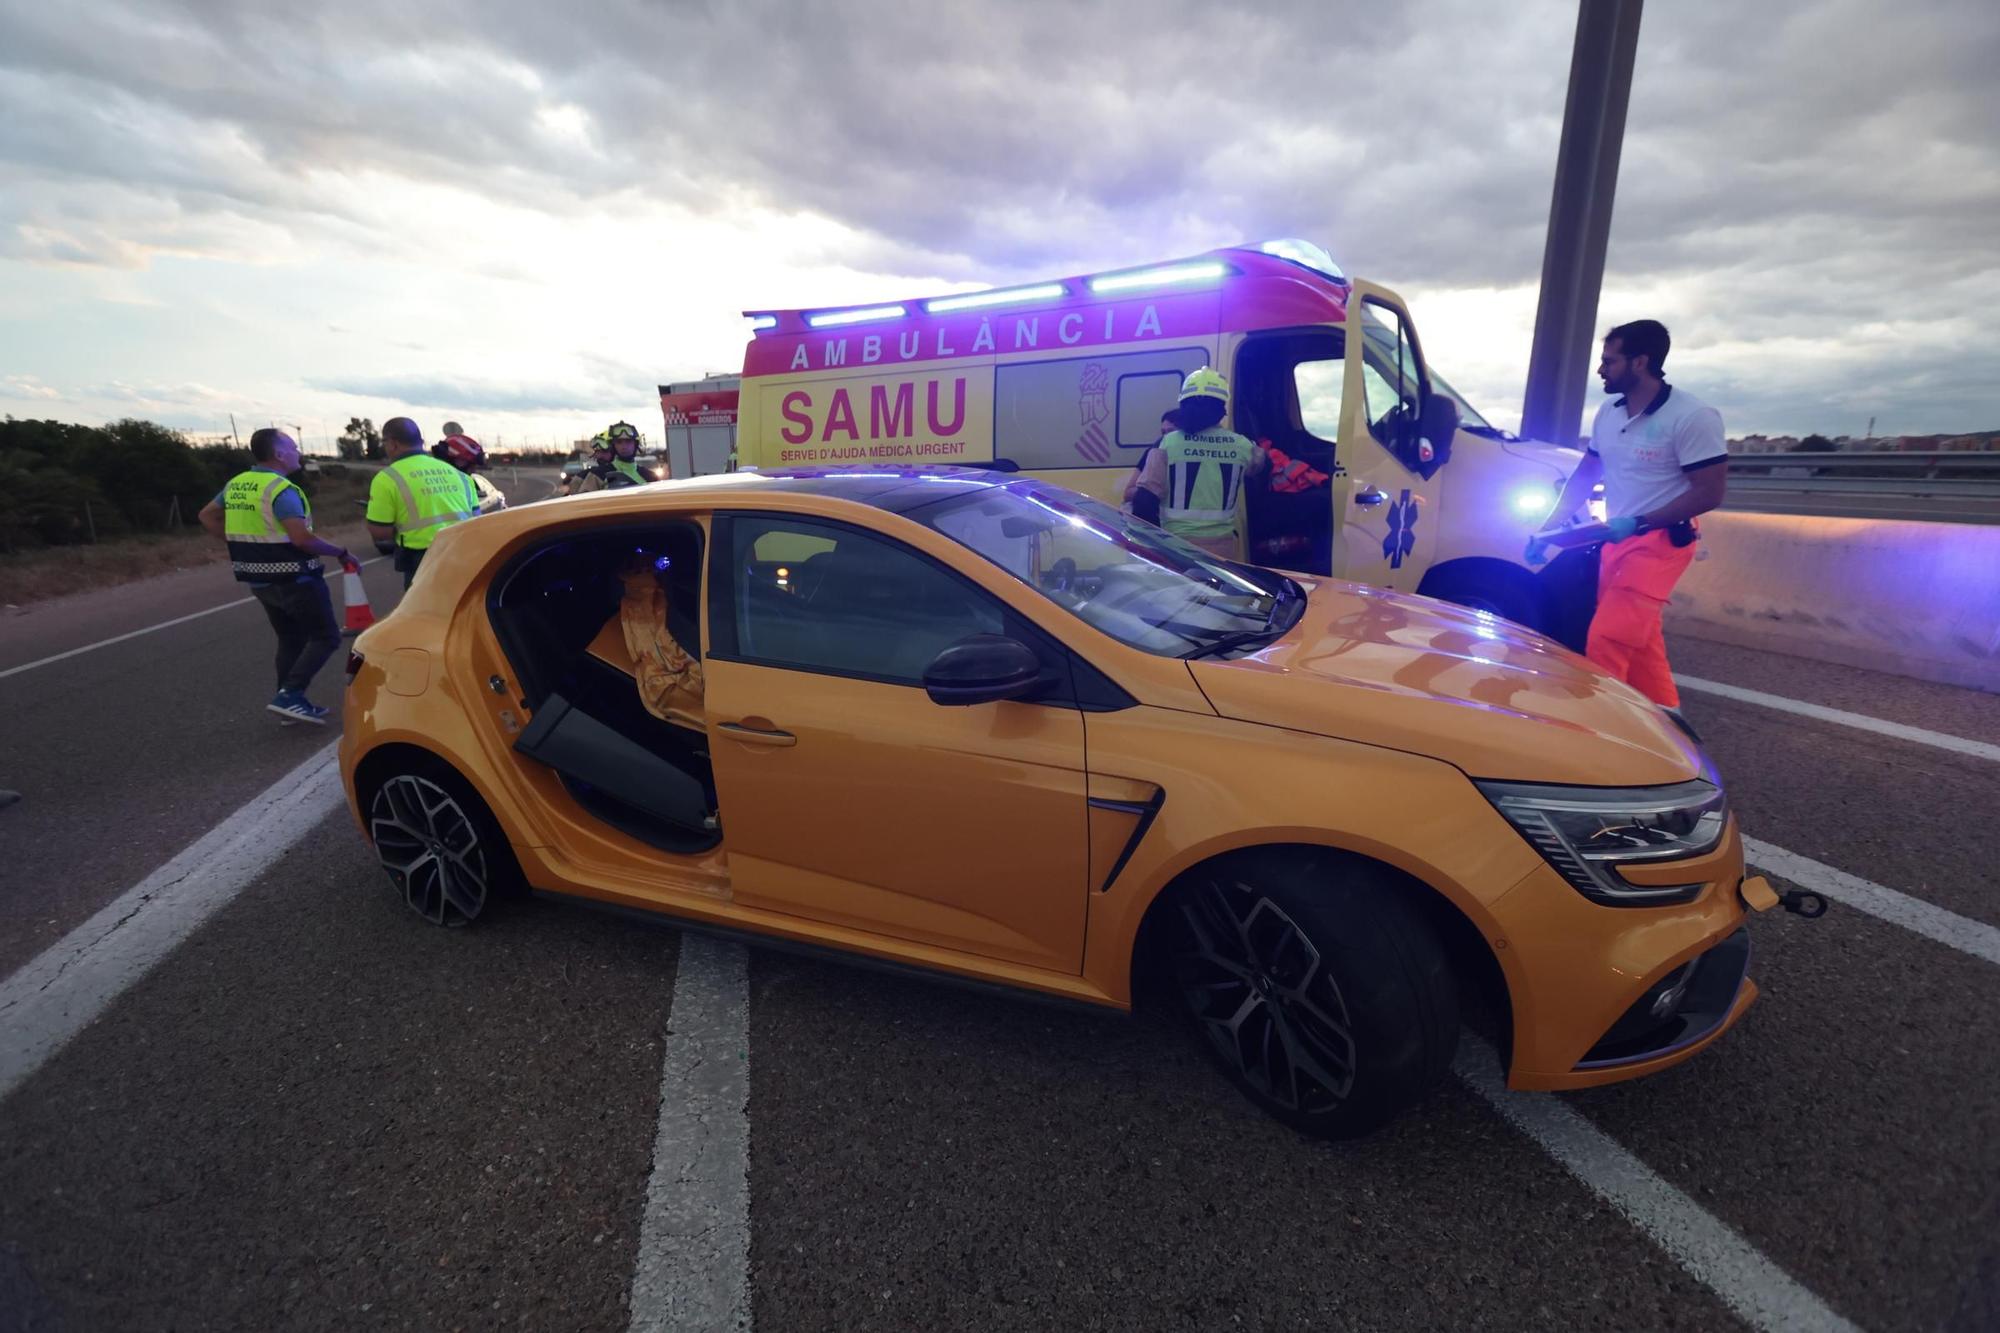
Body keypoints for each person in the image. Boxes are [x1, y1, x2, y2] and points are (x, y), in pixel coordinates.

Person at [1527, 319, 1727, 708]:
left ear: (1640, 362)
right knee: (1643, 647)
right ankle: (1671, 726)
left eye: (1609, 360)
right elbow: (1586, 474)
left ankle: (1601, 740)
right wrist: (1548, 528)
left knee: (1607, 640)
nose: (1600, 369)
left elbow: (1710, 492)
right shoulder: (1609, 412)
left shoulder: (1692, 416)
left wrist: (1639, 523)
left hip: (1661, 544)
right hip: (1614, 541)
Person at [198, 427, 353, 724]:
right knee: (326, 637)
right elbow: (301, 539)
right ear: (279, 454)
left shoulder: (237, 484)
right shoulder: (282, 490)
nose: (298, 452)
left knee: (290, 639)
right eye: (293, 447)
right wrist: (341, 552)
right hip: (294, 577)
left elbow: (206, 515)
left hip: (258, 579)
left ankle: (289, 706)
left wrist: (237, 542)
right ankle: (291, 694)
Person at [1128, 368, 1268, 559]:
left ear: (1183, 404)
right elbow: (1263, 470)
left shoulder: (1166, 443)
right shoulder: (1243, 446)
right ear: (1221, 408)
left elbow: (1144, 501)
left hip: (1175, 549)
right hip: (1223, 550)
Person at [366, 417, 477, 588]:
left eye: (385, 442)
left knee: (425, 613)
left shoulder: (386, 479)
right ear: (421, 442)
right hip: (464, 555)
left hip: (421, 561)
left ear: (393, 444)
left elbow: (381, 532)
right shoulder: (458, 474)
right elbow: (477, 518)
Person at [1121, 409, 1179, 523]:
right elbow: (1128, 493)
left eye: (1171, 432)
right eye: (1163, 432)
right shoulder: (1153, 452)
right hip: (1155, 524)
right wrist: (1149, 490)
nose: (1165, 437)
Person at [433, 432, 507, 515]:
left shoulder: (469, 483)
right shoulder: (448, 488)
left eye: (474, 466)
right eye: (471, 466)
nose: (473, 471)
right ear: (457, 462)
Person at [575, 421, 656, 492]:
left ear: (636, 444)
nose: (624, 446)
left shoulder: (649, 476)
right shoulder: (597, 475)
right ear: (613, 445)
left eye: (628, 441)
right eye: (619, 442)